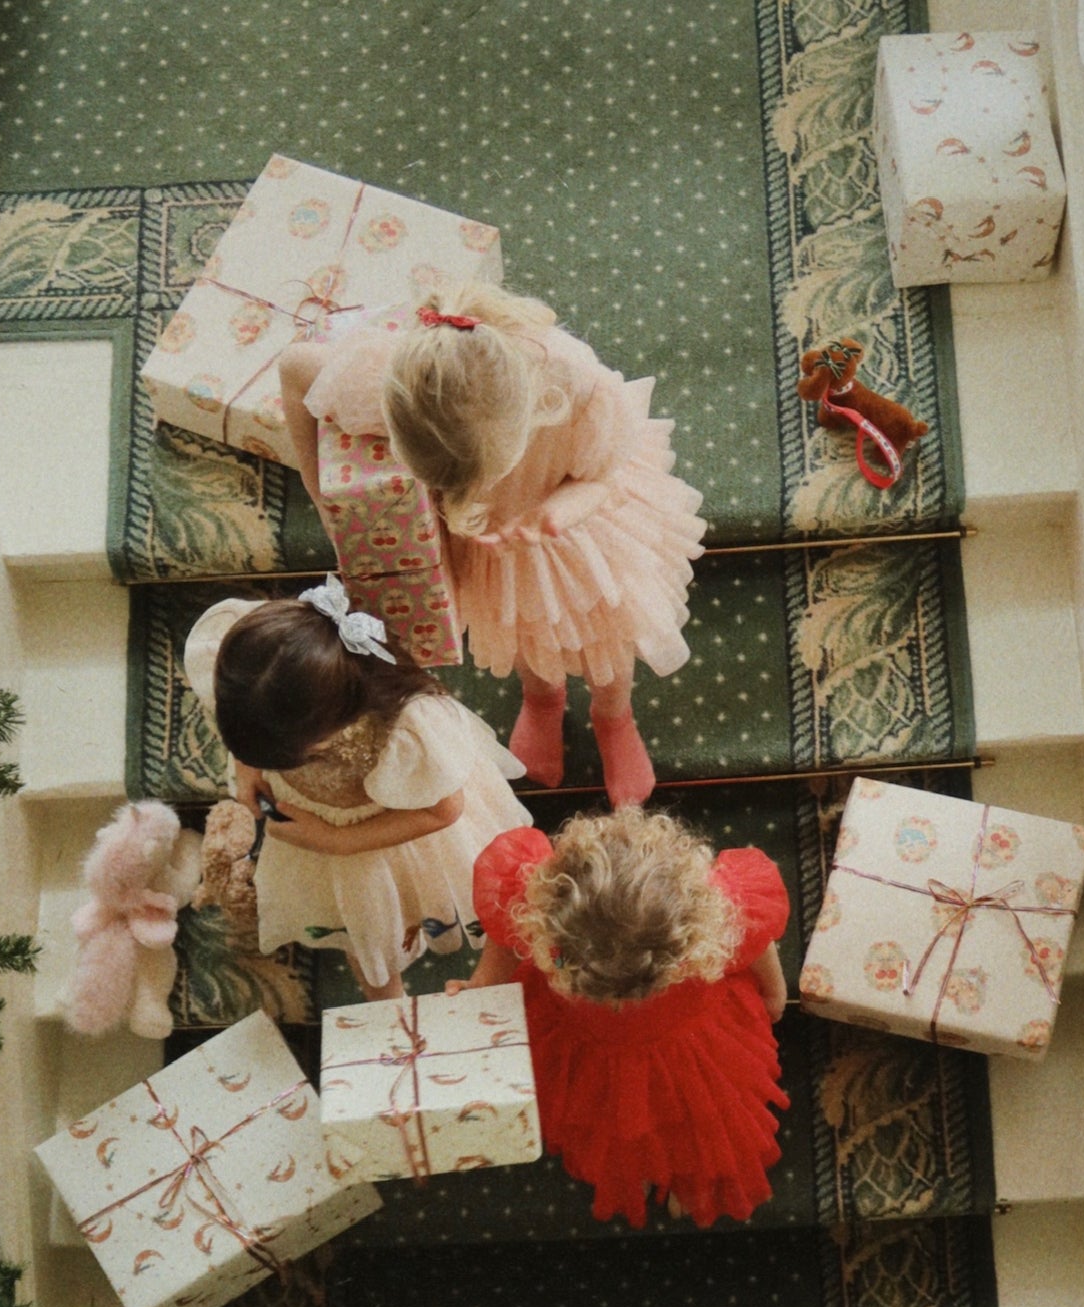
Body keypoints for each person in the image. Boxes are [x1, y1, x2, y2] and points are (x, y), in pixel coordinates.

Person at [277, 283, 707, 809]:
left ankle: (613, 715)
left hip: (577, 535)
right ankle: (542, 699)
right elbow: (296, 369)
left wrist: (560, 510)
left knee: (605, 638)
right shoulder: (397, 380)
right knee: (521, 632)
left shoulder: (579, 386)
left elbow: (602, 476)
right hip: (490, 551)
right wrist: (321, 497)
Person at [183, 576, 532, 1000]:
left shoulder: (406, 728)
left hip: (393, 833)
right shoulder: (258, 666)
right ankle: (386, 1003)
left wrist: (337, 839)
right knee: (359, 928)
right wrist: (248, 767)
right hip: (324, 840)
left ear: (337, 722)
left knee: (400, 908)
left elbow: (442, 810)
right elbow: (239, 712)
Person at [450, 807, 790, 1228]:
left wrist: (774, 990)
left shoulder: (709, 919)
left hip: (685, 1051)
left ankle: (688, 1175)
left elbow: (754, 938)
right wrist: (482, 984)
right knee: (612, 1125)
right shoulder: (548, 920)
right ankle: (635, 1167)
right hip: (595, 1047)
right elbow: (508, 937)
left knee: (695, 1120)